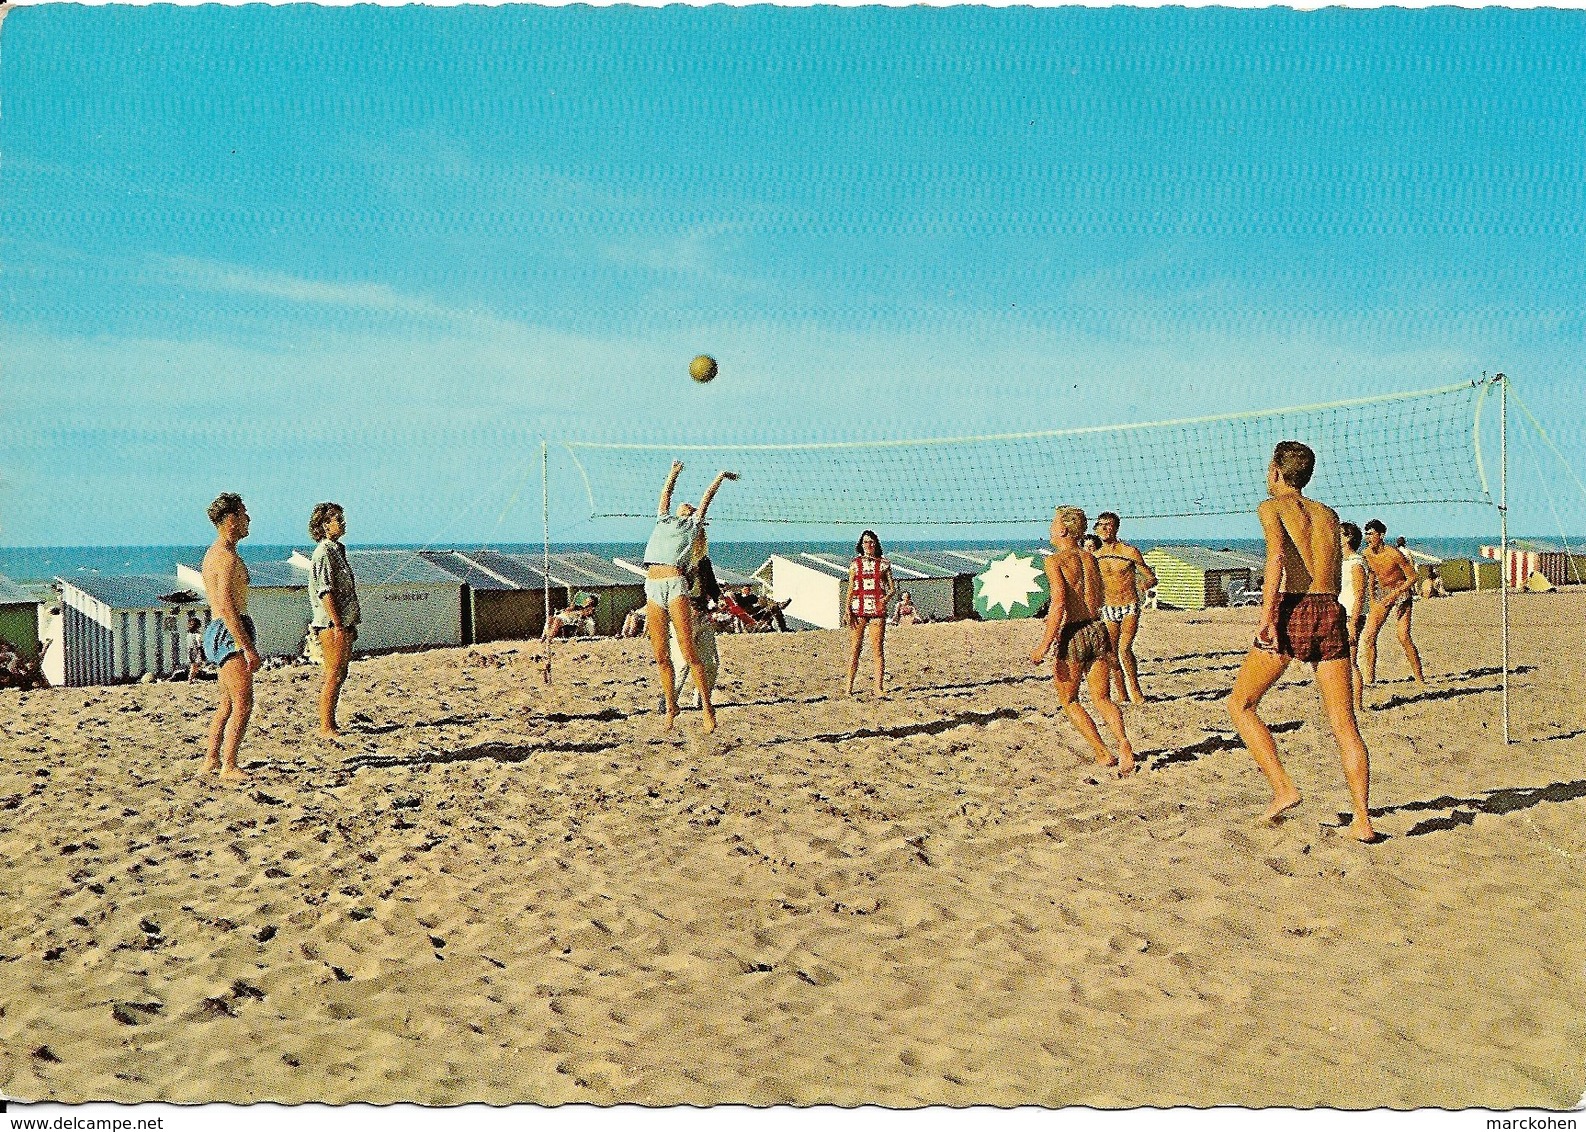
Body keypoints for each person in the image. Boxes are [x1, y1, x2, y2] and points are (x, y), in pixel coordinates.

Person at [1227, 442, 1379, 842]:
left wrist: (1267, 620)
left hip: (1292, 607)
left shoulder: (1270, 506)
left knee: (1241, 705)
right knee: (1345, 724)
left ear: (1275, 471)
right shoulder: (1328, 514)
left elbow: (1276, 560)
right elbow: (1326, 566)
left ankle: (1283, 789)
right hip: (1329, 608)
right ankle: (1363, 821)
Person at [1030, 507, 1134, 776]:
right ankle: (1123, 741)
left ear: (1063, 530)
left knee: (1070, 700)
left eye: (1052, 525)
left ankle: (1102, 752)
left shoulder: (1055, 562)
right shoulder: (1091, 558)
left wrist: (1044, 644)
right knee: (1102, 698)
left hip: (1074, 633)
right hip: (1097, 628)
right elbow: (1098, 598)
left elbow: (1059, 605)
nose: (1050, 530)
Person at [643, 461, 736, 733]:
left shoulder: (692, 526)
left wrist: (719, 476)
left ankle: (707, 708)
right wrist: (673, 472)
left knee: (688, 651)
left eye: (690, 507)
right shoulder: (663, 519)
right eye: (683, 505)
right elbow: (666, 493)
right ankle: (672, 706)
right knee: (660, 654)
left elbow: (706, 497)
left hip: (674, 583)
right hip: (652, 584)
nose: (685, 505)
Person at [200, 493, 260, 782]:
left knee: (226, 702)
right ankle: (229, 765)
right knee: (243, 702)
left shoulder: (219, 552)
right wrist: (247, 647)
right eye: (245, 513)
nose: (249, 519)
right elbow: (225, 604)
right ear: (232, 518)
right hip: (228, 630)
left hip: (221, 628)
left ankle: (212, 758)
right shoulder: (224, 556)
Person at [1092, 512, 1157, 705]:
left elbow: (1151, 577)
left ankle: (1135, 689)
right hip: (1108, 607)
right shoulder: (1095, 556)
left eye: (1108, 525)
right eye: (1101, 525)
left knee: (1124, 649)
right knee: (1111, 653)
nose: (1104, 528)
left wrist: (1145, 584)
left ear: (1116, 528)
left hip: (1129, 604)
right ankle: (1122, 694)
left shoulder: (1129, 552)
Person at [308, 502, 360, 740]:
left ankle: (330, 722)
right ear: (324, 525)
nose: (343, 522)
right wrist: (338, 624)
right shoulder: (324, 552)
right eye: (337, 518)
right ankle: (326, 726)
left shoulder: (337, 549)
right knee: (334, 673)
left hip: (342, 621)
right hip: (330, 624)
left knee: (340, 672)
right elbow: (325, 592)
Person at [1360, 519, 1426, 687]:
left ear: (1381, 535)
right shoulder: (1366, 554)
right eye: (1366, 534)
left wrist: (1396, 594)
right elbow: (1372, 575)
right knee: (1369, 637)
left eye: (1371, 534)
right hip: (1382, 593)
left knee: (1403, 636)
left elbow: (1412, 577)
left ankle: (1419, 678)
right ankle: (1370, 680)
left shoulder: (1394, 554)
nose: (1368, 537)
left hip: (1401, 591)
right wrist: (1372, 597)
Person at [667, 523, 722, 710]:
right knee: (682, 663)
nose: (701, 535)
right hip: (684, 616)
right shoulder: (676, 559)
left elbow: (713, 586)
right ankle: (669, 701)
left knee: (712, 663)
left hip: (703, 616)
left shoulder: (703, 560)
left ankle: (701, 700)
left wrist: (719, 598)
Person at [845, 530, 895, 695]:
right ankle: (848, 688)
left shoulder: (883, 564)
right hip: (858, 608)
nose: (869, 545)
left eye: (872, 542)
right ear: (861, 545)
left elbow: (892, 589)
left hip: (876, 610)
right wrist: (847, 610)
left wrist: (884, 599)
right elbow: (851, 588)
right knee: (855, 648)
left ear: (876, 544)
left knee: (877, 649)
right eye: (866, 542)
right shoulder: (854, 564)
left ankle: (878, 688)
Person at [1338, 521, 1368, 712]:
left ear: (1349, 537)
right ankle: (1346, 704)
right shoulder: (1342, 561)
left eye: (1339, 533)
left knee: (1351, 661)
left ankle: (1358, 705)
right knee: (1340, 661)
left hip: (1351, 616)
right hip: (1340, 614)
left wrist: (1353, 623)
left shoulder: (1357, 563)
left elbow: (1359, 595)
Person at [186, 615, 205, 682]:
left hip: (190, 651)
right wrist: (202, 653)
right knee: (195, 666)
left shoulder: (189, 634)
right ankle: (190, 679)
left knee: (193, 665)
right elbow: (199, 644)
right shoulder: (198, 634)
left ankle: (192, 678)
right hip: (196, 651)